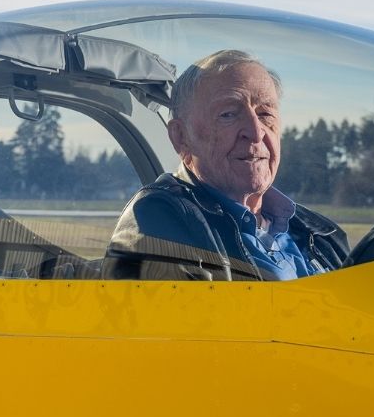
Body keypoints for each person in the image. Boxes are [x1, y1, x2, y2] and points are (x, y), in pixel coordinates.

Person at [106, 50, 350, 280]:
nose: (256, 133)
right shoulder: (158, 218)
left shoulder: (320, 233)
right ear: (181, 137)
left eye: (265, 114)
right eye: (228, 115)